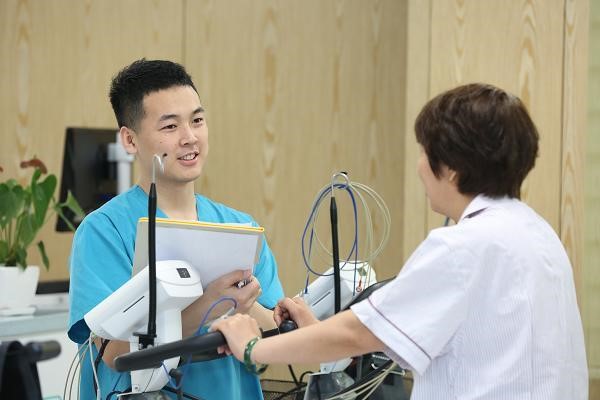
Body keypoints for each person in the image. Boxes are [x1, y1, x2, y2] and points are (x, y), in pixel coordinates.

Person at [213, 83, 589, 399]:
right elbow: (410, 336)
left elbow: (357, 334)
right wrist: (313, 329)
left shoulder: (462, 248)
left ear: (452, 168)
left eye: (425, 152)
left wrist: (252, 347)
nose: (420, 167)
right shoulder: (538, 235)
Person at [68, 59, 284, 400]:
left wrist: (245, 304)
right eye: (170, 126)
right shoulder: (103, 231)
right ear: (130, 140)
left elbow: (275, 333)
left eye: (197, 120)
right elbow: (115, 353)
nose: (190, 137)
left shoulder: (240, 226)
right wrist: (213, 304)